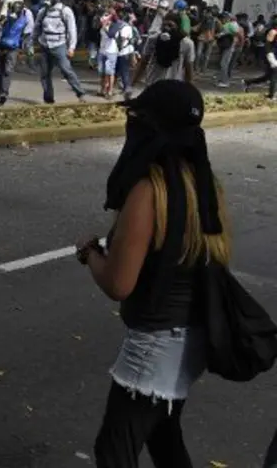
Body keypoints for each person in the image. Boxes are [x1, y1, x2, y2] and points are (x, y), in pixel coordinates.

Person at [75, 80, 232, 467]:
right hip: (190, 336)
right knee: (164, 438)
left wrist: (90, 253)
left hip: (155, 345)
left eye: (135, 116)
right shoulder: (205, 184)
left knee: (114, 451)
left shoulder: (151, 191)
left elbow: (119, 283)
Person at [35, 0, 87, 103]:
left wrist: (71, 47)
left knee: (66, 69)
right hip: (45, 44)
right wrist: (31, 43)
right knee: (44, 73)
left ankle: (80, 93)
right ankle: (48, 98)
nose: (50, 0)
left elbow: (72, 30)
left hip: (59, 44)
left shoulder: (65, 11)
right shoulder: (43, 11)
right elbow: (36, 27)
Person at [133, 13, 195, 88]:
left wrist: (189, 91)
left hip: (173, 87)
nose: (166, 28)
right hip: (152, 84)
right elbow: (143, 62)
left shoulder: (187, 44)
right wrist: (132, 84)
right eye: (164, 25)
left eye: (170, 25)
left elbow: (189, 70)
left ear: (178, 26)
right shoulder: (153, 39)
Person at [0, 0, 35, 106]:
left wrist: (26, 45)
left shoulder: (26, 16)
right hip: (1, 45)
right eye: (15, 5)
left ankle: (4, 94)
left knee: (7, 70)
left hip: (13, 47)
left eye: (19, 5)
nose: (17, 7)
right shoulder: (6, 15)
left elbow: (29, 30)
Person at [243, 18, 277, 99]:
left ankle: (247, 82)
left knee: (268, 77)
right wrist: (271, 58)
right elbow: (268, 46)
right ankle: (271, 96)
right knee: (274, 75)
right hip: (271, 56)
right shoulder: (273, 32)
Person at [215, 12, 240, 87]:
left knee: (224, 64)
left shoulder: (230, 25)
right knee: (223, 63)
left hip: (229, 46)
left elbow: (237, 33)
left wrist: (231, 38)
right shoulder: (225, 25)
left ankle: (225, 82)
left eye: (222, 18)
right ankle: (222, 79)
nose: (221, 20)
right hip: (225, 46)